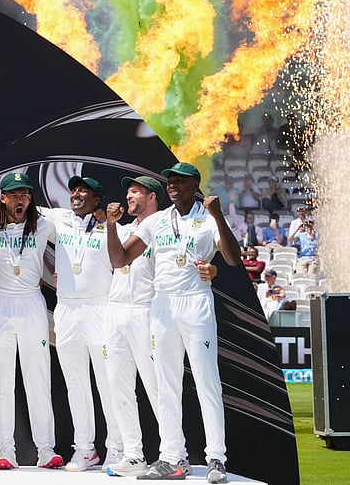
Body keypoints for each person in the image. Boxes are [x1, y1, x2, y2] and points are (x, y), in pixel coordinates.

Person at [105, 162, 240, 483]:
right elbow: (120, 259)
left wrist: (219, 215)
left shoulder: (208, 219)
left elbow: (233, 259)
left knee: (208, 382)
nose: (173, 185)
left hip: (196, 303)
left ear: (195, 185)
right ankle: (172, 458)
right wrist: (111, 225)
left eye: (180, 181)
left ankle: (216, 459)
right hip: (162, 305)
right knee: (166, 385)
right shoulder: (156, 221)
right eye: (170, 180)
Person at [41, 176, 120, 472]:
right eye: (74, 190)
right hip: (66, 309)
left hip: (99, 308)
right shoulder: (58, 218)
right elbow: (21, 209)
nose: (75, 194)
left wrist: (109, 219)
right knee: (75, 384)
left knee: (107, 382)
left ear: (97, 200)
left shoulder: (110, 225)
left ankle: (116, 447)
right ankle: (85, 449)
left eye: (83, 191)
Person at [0, 172, 62, 470]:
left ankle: (46, 449)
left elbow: (75, 230)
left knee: (38, 377)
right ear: (2, 198)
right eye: (14, 195)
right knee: (2, 380)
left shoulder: (44, 223)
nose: (21, 200)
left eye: (25, 195)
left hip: (31, 303)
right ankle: (6, 450)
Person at [103, 175, 165, 477]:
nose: (129, 196)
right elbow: (112, 257)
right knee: (119, 387)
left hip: (146, 311)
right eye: (127, 190)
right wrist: (110, 224)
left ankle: (172, 453)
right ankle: (133, 455)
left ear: (151, 196)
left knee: (157, 387)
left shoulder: (164, 226)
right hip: (115, 311)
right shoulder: (126, 229)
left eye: (135, 191)